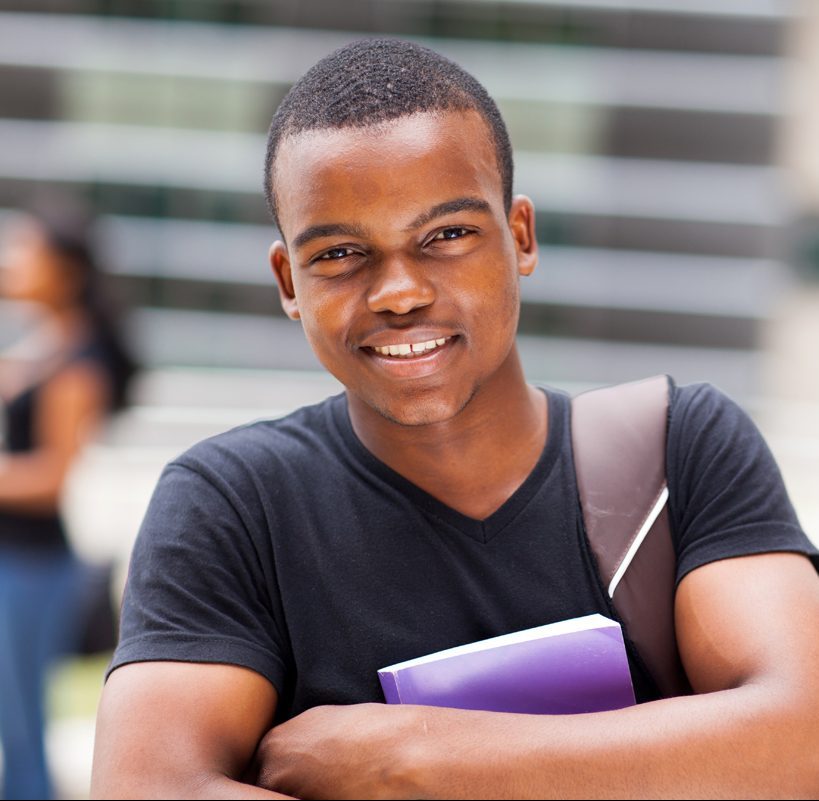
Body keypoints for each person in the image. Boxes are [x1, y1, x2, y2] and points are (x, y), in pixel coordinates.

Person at [91, 40, 819, 799]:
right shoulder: (235, 502)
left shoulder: (675, 451)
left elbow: (799, 740)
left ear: (521, 238)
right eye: (340, 252)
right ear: (288, 281)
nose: (398, 292)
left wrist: (414, 756)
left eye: (446, 235)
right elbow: (148, 786)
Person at [0, 200, 136, 800]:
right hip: (17, 561)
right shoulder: (44, 347)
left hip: (32, 567)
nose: (10, 262)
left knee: (22, 726)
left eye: (24, 249)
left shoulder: (78, 364)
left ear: (65, 268)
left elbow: (55, 475)